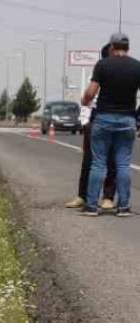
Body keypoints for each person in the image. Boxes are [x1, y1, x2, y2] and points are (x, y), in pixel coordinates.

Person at [81, 33, 140, 217]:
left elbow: (91, 92)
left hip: (104, 118)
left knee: (98, 164)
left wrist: (85, 100)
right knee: (123, 164)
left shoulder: (103, 64)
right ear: (128, 48)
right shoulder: (137, 66)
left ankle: (91, 206)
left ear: (112, 47)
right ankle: (123, 207)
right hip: (127, 119)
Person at [65, 44, 116, 211]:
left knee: (111, 160)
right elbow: (87, 100)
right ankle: (82, 196)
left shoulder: (120, 75)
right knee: (88, 160)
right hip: (94, 120)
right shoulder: (97, 75)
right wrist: (84, 124)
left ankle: (107, 197)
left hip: (114, 119)